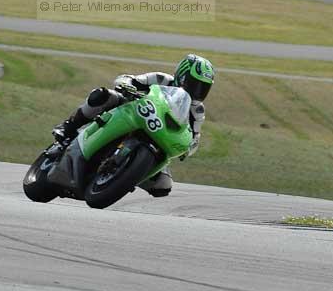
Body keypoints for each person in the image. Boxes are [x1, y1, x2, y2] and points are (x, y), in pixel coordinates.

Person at [53, 53, 215, 197]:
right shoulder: (161, 79)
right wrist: (127, 85)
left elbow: (194, 138)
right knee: (103, 95)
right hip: (132, 111)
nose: (198, 91)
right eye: (195, 84)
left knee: (163, 186)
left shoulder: (197, 111)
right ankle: (68, 127)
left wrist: (188, 148)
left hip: (159, 137)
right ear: (182, 75)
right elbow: (128, 78)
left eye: (204, 88)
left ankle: (126, 176)